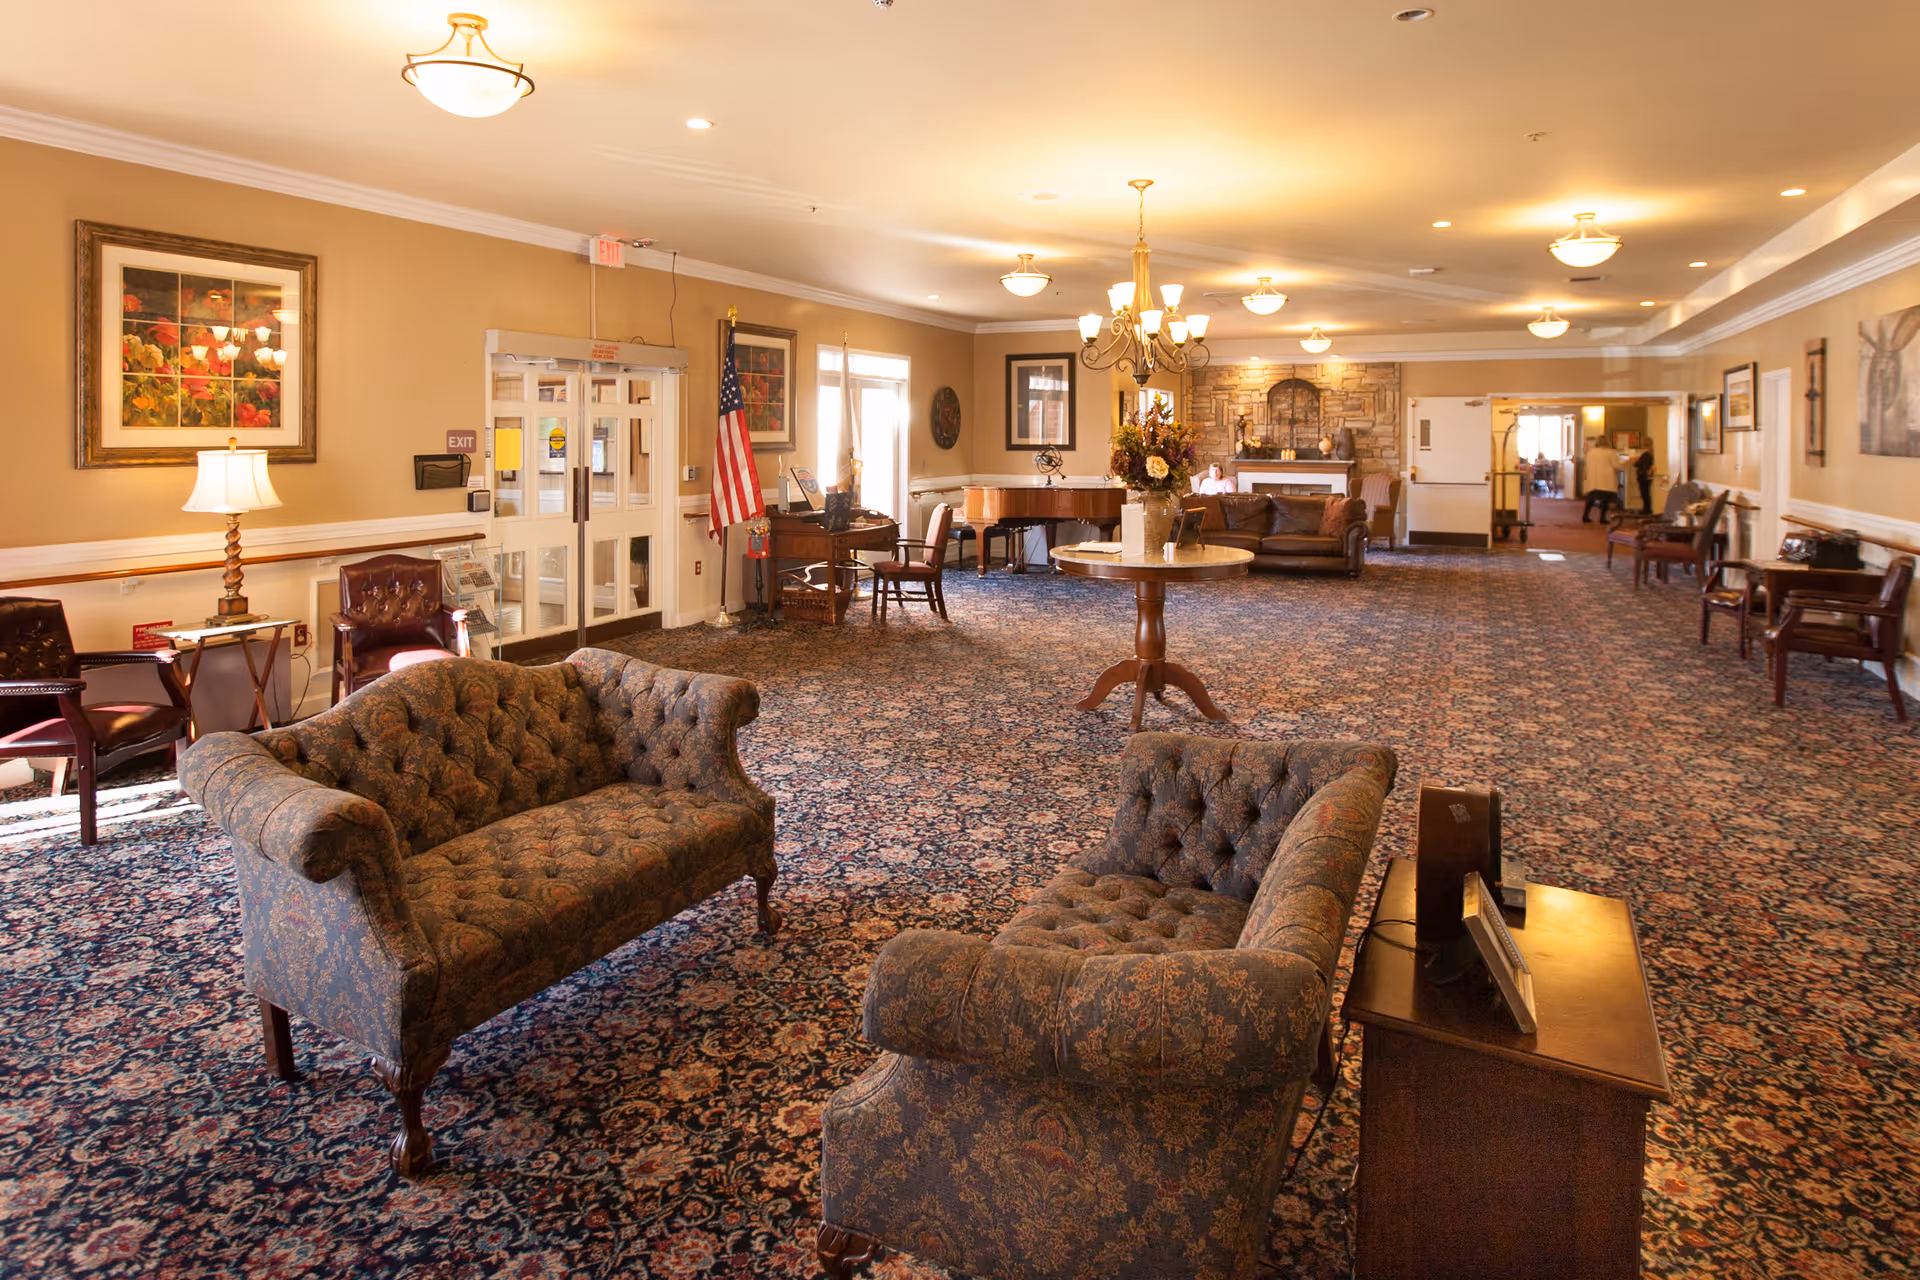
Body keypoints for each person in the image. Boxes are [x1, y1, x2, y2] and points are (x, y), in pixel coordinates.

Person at [1581, 436, 1620, 522]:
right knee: (1605, 499)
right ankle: (1602, 518)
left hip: (1593, 478)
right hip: (1606, 478)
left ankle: (1585, 515)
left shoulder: (1591, 452)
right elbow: (1616, 465)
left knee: (1590, 498)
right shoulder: (1610, 452)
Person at [1634, 447, 1655, 513]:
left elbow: (1636, 464)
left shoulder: (1645, 455)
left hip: (1642, 476)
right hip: (1647, 476)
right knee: (1647, 494)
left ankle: (1646, 509)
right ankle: (1647, 508)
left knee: (1644, 494)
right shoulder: (1651, 456)